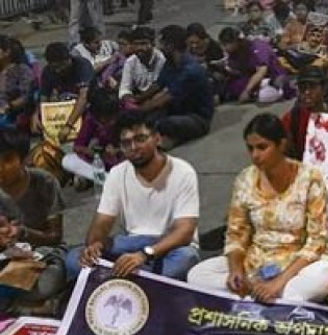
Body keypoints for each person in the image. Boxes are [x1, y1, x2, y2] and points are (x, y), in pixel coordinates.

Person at [187, 113, 328, 302]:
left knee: (324, 274)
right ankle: (264, 295)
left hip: (296, 266)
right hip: (256, 263)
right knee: (197, 275)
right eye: (250, 148)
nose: (255, 155)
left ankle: (262, 296)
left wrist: (279, 282)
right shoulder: (245, 179)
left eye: (262, 147)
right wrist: (235, 270)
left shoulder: (310, 178)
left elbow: (317, 241)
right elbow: (236, 234)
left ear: (281, 145)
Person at [65, 110, 201, 281]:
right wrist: (94, 246)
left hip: (170, 246)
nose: (134, 147)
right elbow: (102, 222)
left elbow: (185, 231)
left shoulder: (183, 172)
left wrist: (145, 254)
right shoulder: (117, 173)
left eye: (140, 139)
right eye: (126, 143)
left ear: (157, 139)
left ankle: (120, 279)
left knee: (186, 259)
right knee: (74, 258)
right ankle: (140, 279)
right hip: (131, 243)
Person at [0, 129, 67, 315]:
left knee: (47, 283)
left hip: (45, 254)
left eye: (7, 160)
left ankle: (15, 306)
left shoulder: (44, 182)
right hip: (8, 257)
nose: (0, 168)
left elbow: (55, 237)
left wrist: (23, 233)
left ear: (23, 159)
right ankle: (37, 309)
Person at [138, 25, 214, 150]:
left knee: (162, 124)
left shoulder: (191, 70)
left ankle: (173, 138)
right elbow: (158, 85)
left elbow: (167, 97)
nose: (159, 48)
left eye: (162, 43)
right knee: (148, 120)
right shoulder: (170, 63)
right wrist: (137, 99)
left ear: (170, 45)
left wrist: (138, 110)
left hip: (197, 118)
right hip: (178, 110)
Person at [282, 66, 328, 159]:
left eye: (312, 87)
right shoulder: (291, 119)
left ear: (324, 88)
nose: (307, 92)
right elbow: (285, 154)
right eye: (302, 88)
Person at [35, 42, 95, 144]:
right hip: (63, 109)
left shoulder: (82, 65)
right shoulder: (48, 71)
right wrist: (36, 116)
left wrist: (68, 125)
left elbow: (84, 97)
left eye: (61, 66)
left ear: (68, 59)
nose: (58, 70)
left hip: (87, 106)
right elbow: (43, 97)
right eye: (55, 68)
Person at [62, 90, 124, 187]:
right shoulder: (91, 120)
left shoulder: (127, 116)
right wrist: (93, 152)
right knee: (67, 161)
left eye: (110, 118)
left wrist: (118, 150)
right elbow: (77, 146)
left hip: (124, 160)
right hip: (102, 161)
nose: (108, 122)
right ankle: (107, 181)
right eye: (102, 119)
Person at [218, 27, 292, 104]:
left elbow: (262, 70)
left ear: (235, 42)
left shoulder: (257, 46)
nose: (223, 48)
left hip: (273, 77)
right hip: (254, 80)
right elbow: (240, 72)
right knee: (233, 86)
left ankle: (262, 91)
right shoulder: (234, 53)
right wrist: (225, 70)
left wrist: (247, 91)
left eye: (225, 45)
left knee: (263, 96)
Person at [118, 27, 166, 106]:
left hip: (157, 98)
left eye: (144, 43)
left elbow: (159, 87)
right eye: (136, 44)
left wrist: (140, 100)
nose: (140, 48)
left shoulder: (161, 59)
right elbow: (124, 88)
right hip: (138, 97)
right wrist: (128, 100)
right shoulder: (130, 62)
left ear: (153, 44)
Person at [0, 36, 34, 130]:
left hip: (10, 114)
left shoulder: (22, 70)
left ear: (7, 52)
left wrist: (8, 106)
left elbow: (26, 96)